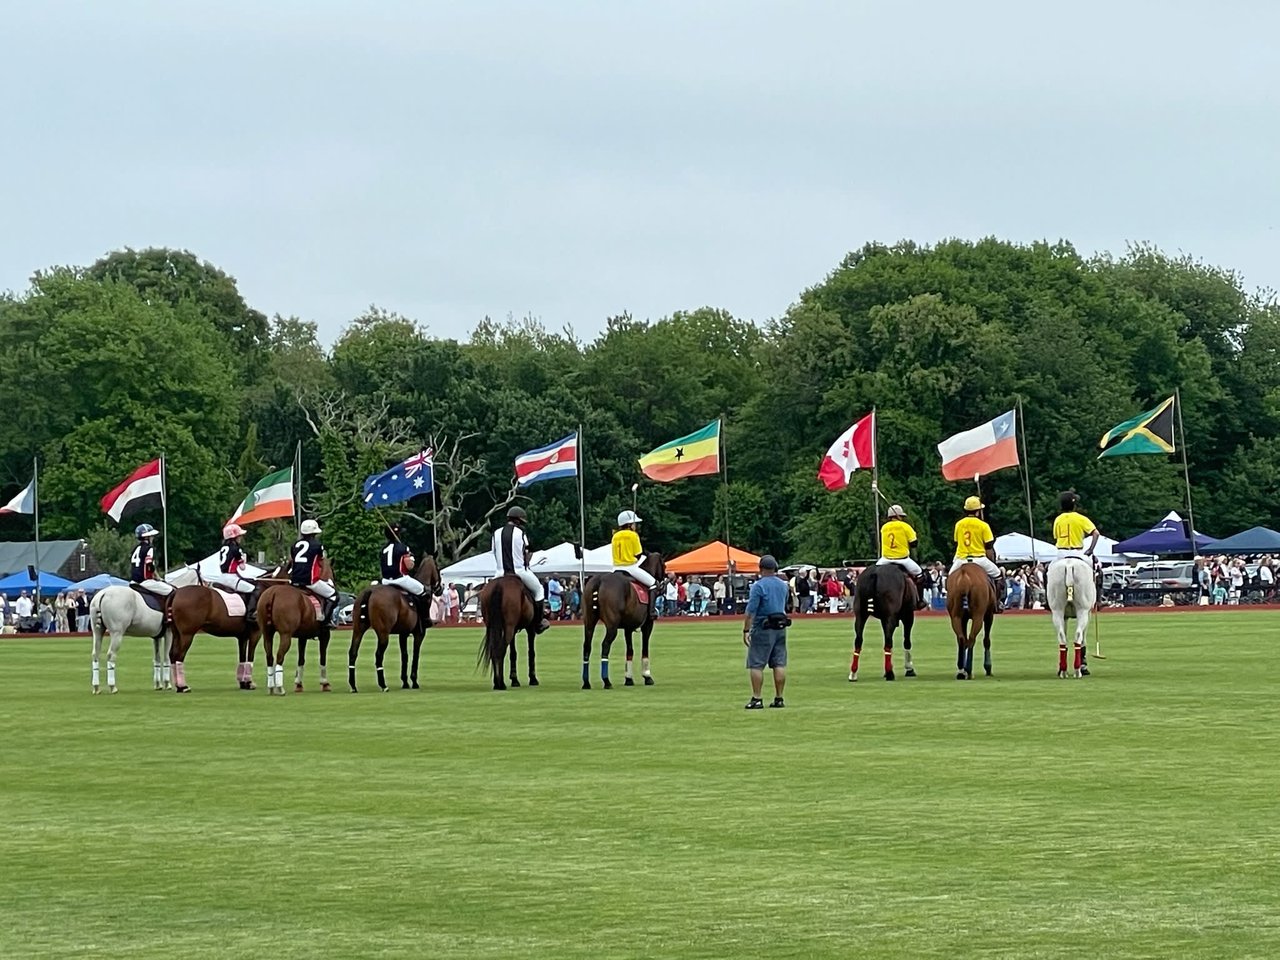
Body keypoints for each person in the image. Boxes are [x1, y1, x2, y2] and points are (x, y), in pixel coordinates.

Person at [489, 505, 550, 633]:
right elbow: (526, 551)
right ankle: (538, 623)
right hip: (519, 571)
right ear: (517, 520)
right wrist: (526, 561)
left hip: (499, 573)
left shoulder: (496, 533)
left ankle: (490, 621)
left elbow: (493, 552)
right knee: (539, 590)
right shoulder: (521, 533)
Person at [742, 554, 790, 710]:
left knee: (756, 664)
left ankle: (757, 698)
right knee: (779, 663)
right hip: (780, 627)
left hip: (763, 626)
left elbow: (750, 612)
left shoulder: (758, 586)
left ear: (760, 568)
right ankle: (779, 697)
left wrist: (746, 630)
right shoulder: (783, 585)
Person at [950, 496, 1003, 612]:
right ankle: (997, 603)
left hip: (961, 559)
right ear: (978, 511)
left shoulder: (958, 524)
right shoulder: (983, 525)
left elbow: (956, 542)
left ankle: (952, 604)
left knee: (949, 580)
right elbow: (989, 546)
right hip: (979, 559)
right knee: (999, 576)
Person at [876, 504, 928, 610]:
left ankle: (872, 601)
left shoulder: (884, 527)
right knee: (920, 575)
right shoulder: (905, 526)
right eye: (902, 516)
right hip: (903, 559)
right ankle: (920, 600)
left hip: (885, 559)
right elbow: (914, 543)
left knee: (873, 576)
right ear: (899, 516)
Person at [378, 523, 430, 621]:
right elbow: (409, 567)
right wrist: (411, 558)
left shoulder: (383, 549)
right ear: (398, 535)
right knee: (423, 592)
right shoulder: (403, 548)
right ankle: (424, 619)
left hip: (385, 581)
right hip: (400, 579)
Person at [207, 522, 261, 616]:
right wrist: (242, 560)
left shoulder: (223, 548)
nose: (241, 538)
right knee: (254, 589)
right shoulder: (236, 549)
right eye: (239, 536)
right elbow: (242, 568)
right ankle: (250, 613)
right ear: (234, 537)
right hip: (231, 578)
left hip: (221, 577)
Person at [290, 519, 337, 623]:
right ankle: (326, 622)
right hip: (310, 581)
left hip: (294, 581)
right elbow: (320, 562)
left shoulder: (294, 545)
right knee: (334, 595)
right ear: (313, 533)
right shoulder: (317, 545)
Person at [611, 510, 657, 616]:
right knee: (653, 584)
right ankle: (652, 611)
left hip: (615, 567)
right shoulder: (633, 535)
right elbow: (638, 554)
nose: (635, 525)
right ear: (629, 524)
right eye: (634, 523)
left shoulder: (615, 536)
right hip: (630, 567)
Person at [130, 524, 173, 596]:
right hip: (145, 582)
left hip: (133, 581)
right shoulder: (149, 548)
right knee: (171, 591)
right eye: (151, 536)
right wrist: (157, 577)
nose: (152, 538)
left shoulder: (135, 549)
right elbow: (149, 565)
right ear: (146, 537)